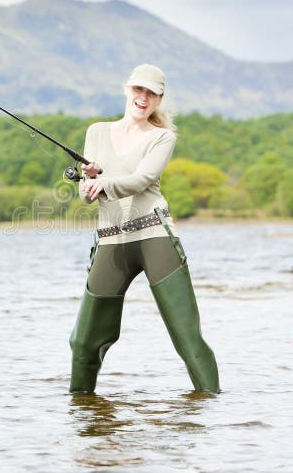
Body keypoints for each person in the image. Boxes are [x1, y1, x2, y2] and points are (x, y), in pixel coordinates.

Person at [69, 63, 220, 394]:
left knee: (187, 338)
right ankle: (81, 417)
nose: (143, 97)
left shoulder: (162, 137)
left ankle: (215, 415)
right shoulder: (96, 132)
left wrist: (103, 182)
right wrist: (89, 182)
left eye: (152, 92)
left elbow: (143, 179)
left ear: (159, 99)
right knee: (83, 342)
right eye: (139, 89)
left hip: (154, 236)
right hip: (110, 240)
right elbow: (86, 191)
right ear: (127, 89)